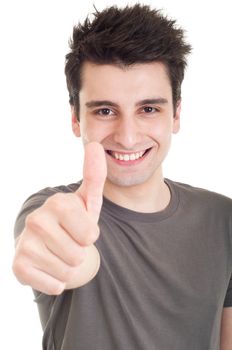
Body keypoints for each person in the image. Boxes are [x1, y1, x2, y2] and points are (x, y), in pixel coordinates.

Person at [12, 4, 232, 350]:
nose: (128, 137)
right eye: (104, 110)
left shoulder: (224, 218)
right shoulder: (56, 211)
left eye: (148, 109)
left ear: (176, 113)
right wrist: (62, 254)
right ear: (75, 119)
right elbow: (63, 249)